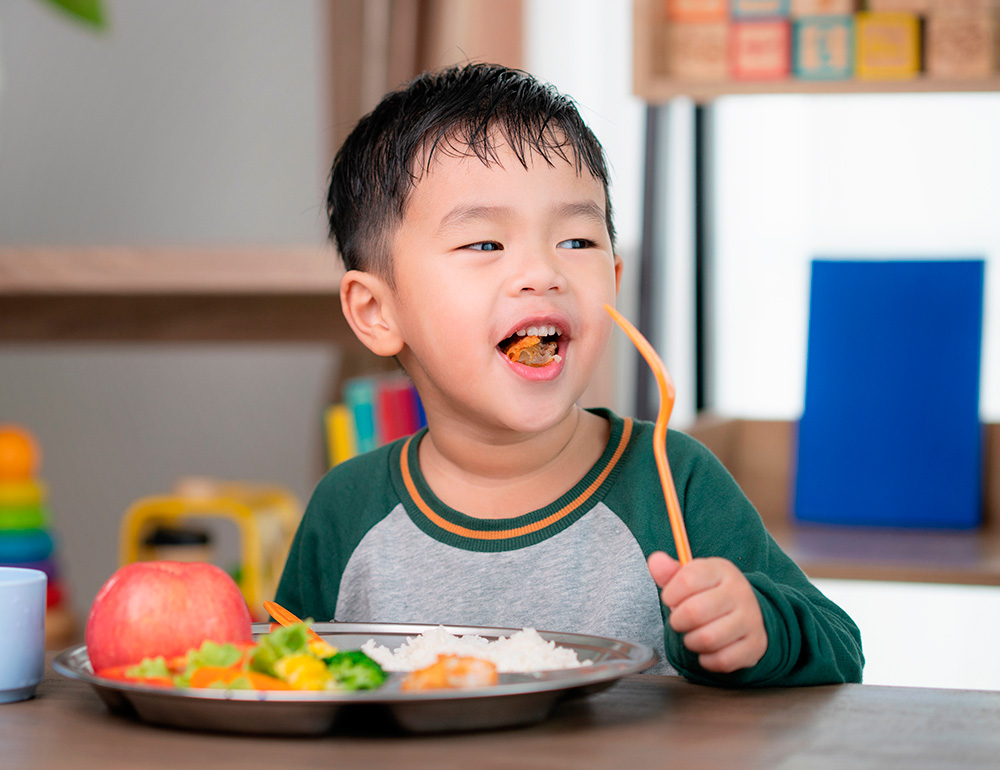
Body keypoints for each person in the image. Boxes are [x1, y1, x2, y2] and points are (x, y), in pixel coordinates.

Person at [275, 62, 863, 686]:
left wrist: (755, 629)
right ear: (377, 311)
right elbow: (281, 676)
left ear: (612, 281)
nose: (542, 273)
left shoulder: (673, 479)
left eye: (578, 242)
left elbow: (840, 650)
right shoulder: (346, 510)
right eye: (485, 245)